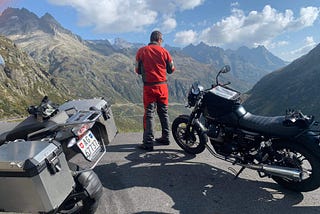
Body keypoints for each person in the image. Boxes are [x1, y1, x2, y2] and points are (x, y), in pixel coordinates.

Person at [135, 30, 175, 151]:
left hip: (149, 87)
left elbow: (137, 70)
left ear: (151, 39)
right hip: (162, 87)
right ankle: (166, 137)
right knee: (163, 112)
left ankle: (148, 142)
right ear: (159, 40)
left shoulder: (141, 51)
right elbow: (171, 69)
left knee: (149, 114)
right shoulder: (165, 52)